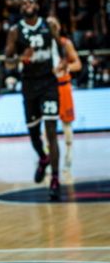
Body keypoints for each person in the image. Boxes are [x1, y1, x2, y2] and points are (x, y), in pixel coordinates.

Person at [5, 0, 62, 201]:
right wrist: (21, 58)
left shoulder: (49, 25)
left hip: (48, 84)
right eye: (24, 3)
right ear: (21, 9)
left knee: (51, 132)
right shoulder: (15, 31)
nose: (27, 5)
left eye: (30, 2)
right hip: (29, 86)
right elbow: (8, 62)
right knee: (34, 134)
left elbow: (61, 46)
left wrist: (64, 62)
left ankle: (55, 179)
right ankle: (43, 158)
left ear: (37, 5)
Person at [54, 32, 82, 168]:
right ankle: (48, 159)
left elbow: (78, 64)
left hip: (63, 87)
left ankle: (68, 157)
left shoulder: (65, 43)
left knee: (67, 124)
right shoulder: (41, 42)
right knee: (48, 125)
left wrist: (68, 67)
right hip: (47, 88)